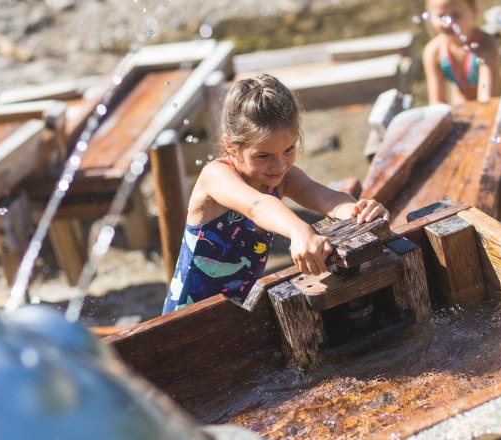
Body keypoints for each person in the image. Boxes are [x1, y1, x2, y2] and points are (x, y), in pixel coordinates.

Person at [162, 74, 389, 314]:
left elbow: (329, 199)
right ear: (231, 146)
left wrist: (358, 212)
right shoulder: (215, 177)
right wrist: (300, 231)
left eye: (289, 150)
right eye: (263, 156)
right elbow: (256, 205)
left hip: (238, 312)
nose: (279, 165)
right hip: (184, 318)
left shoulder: (282, 177)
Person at [422, 0, 501, 105]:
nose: (448, 23)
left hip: (494, 109)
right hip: (462, 109)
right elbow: (437, 103)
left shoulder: (485, 45)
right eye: (441, 16)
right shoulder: (433, 52)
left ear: (474, 11)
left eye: (455, 15)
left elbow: (487, 99)